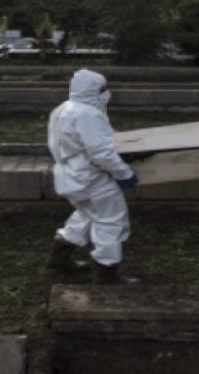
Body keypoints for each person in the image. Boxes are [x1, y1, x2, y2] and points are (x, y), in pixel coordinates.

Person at [45, 69, 141, 284]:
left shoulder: (62, 109)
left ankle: (59, 257)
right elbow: (101, 152)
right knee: (111, 221)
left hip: (68, 174)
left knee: (86, 213)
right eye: (102, 88)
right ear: (91, 90)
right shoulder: (88, 114)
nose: (107, 92)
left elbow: (96, 140)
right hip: (91, 178)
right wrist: (124, 173)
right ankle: (107, 273)